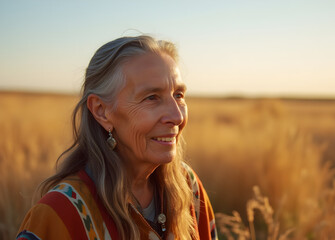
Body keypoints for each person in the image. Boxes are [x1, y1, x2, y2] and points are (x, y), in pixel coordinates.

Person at [16, 35, 218, 240]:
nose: (177, 116)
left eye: (178, 95)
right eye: (151, 98)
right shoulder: (60, 214)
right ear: (102, 111)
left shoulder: (188, 187)